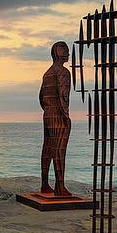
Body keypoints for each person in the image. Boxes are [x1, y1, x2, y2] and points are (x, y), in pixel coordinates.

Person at [40, 41, 73, 196]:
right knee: (59, 151)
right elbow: (63, 96)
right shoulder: (63, 72)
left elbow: (41, 97)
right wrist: (65, 116)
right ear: (58, 54)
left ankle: (45, 184)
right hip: (59, 117)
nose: (68, 53)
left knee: (47, 149)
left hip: (48, 115)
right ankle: (60, 187)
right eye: (65, 50)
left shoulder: (47, 73)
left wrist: (48, 109)